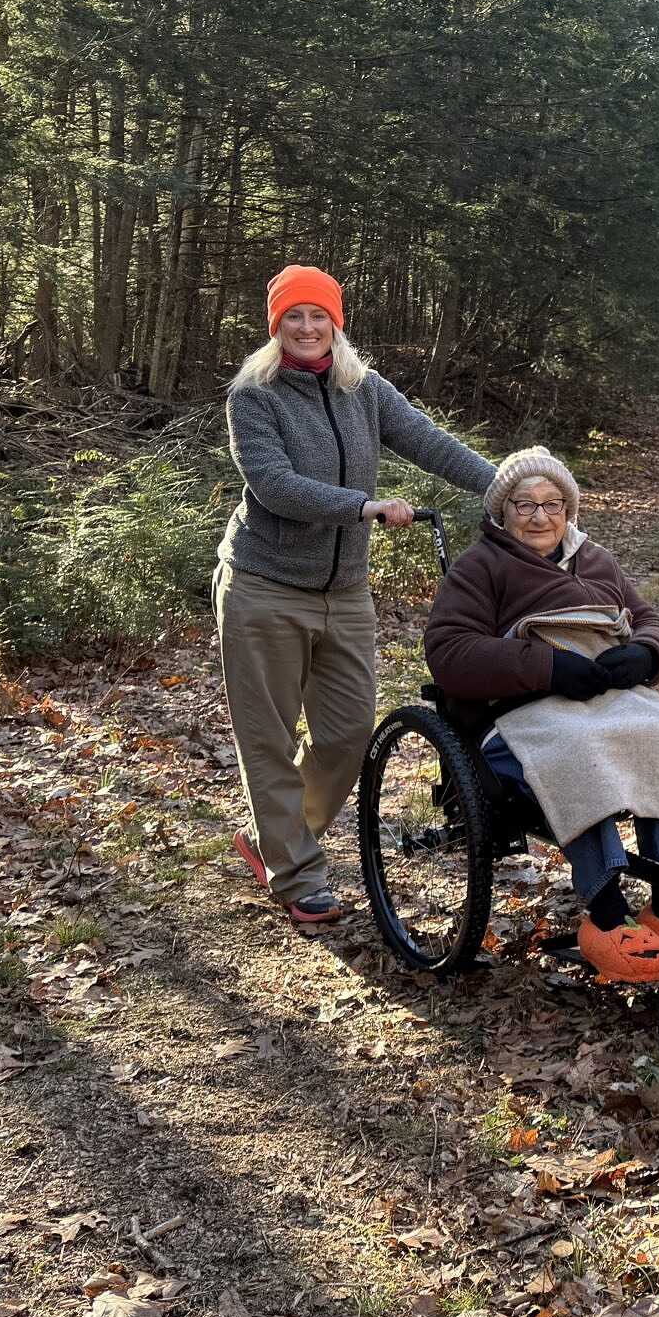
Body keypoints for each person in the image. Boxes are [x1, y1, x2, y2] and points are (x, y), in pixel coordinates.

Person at [216, 266, 496, 926]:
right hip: (263, 586)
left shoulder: (363, 388)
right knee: (270, 739)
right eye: (293, 317)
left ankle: (278, 839)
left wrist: (512, 486)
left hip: (343, 592)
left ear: (336, 323)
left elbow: (428, 441)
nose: (307, 327)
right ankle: (296, 871)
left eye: (319, 316)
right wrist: (364, 506)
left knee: (346, 734)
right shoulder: (253, 396)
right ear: (275, 325)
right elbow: (275, 485)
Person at [423, 447, 659, 984]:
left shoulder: (595, 558)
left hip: (606, 697)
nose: (540, 516)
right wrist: (545, 667)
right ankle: (607, 914)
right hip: (522, 712)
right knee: (575, 743)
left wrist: (647, 653)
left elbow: (650, 619)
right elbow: (448, 650)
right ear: (502, 511)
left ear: (569, 508)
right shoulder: (482, 567)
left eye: (553, 503)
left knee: (657, 724)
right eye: (525, 504)